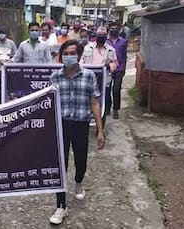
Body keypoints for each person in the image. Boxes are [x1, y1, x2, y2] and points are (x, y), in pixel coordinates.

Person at [49, 40, 106, 225]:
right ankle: (61, 206)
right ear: (60, 56)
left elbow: (94, 103)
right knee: (60, 166)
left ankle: (79, 181)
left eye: (72, 53)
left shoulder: (89, 76)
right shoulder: (54, 77)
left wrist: (100, 130)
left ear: (79, 55)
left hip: (81, 126)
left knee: (81, 163)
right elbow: (49, 105)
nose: (68, 56)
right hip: (62, 126)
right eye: (65, 53)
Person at [81, 26, 119, 119]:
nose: (101, 36)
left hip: (104, 80)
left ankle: (101, 126)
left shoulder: (111, 50)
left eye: (103, 35)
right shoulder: (87, 48)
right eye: (99, 35)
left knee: (103, 103)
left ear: (106, 36)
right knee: (88, 102)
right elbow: (82, 60)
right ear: (96, 35)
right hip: (89, 79)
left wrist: (109, 66)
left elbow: (115, 63)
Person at [106, 21, 128, 119]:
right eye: (112, 28)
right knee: (107, 90)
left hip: (119, 69)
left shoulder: (123, 41)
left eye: (115, 28)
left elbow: (124, 56)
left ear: (119, 30)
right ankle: (107, 108)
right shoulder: (105, 41)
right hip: (108, 69)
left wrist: (123, 68)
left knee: (116, 90)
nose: (113, 30)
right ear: (109, 29)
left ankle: (115, 110)